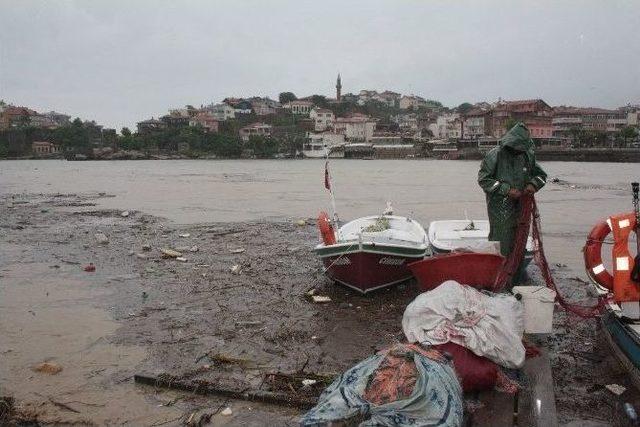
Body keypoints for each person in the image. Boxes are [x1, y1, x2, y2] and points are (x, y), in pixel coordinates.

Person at [478, 122, 547, 286]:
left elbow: (541, 175)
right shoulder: (494, 155)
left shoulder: (527, 156)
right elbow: (484, 180)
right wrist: (506, 190)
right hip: (499, 207)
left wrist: (533, 184)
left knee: (520, 242)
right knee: (502, 241)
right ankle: (498, 280)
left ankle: (514, 279)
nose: (518, 151)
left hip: (522, 207)